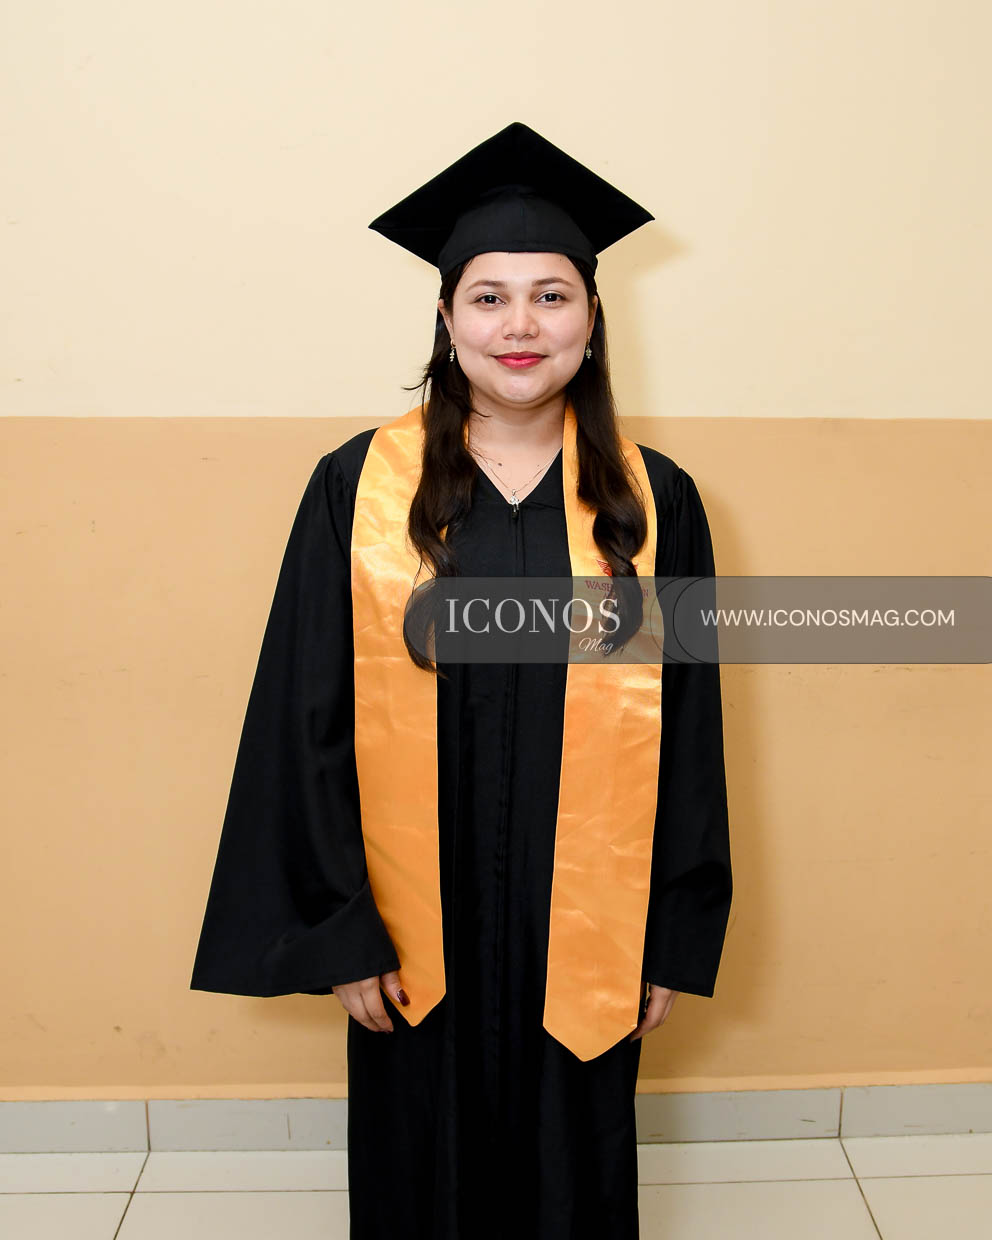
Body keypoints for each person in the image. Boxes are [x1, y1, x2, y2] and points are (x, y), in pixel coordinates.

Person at [190, 121, 733, 1240]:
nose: (519, 326)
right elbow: (304, 712)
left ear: (592, 317)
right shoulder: (357, 488)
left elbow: (689, 730)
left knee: (569, 1166)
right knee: (419, 1163)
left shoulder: (653, 500)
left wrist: (668, 932)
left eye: (550, 296)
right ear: (445, 320)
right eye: (489, 298)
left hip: (583, 917)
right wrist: (343, 930)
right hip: (411, 924)